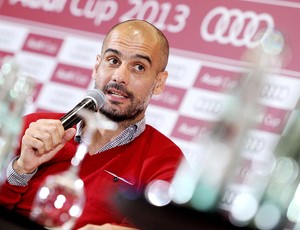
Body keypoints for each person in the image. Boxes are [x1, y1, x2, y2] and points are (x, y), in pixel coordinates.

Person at [0, 19, 184, 229]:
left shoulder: (167, 162)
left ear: (159, 83)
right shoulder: (34, 127)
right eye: (113, 61)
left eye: (138, 67)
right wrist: (21, 169)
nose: (119, 76)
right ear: (96, 66)